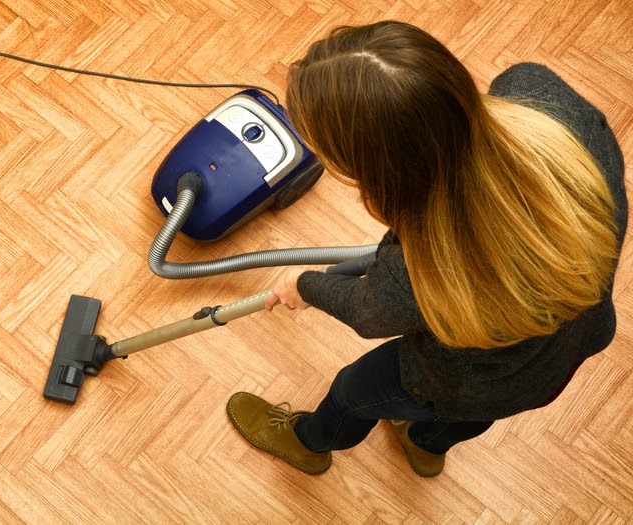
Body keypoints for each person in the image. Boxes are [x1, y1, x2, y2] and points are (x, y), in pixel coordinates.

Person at [226, 20, 627, 477]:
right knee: (467, 415)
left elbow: (368, 313)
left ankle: (309, 442)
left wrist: (304, 284)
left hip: (467, 378)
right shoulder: (536, 92)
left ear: (379, 169)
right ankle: (426, 445)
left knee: (352, 391)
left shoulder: (427, 268)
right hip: (566, 351)